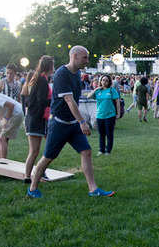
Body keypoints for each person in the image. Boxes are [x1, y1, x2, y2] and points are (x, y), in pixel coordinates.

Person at [27, 46, 114, 198]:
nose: (87, 61)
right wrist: (82, 122)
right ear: (74, 56)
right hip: (59, 123)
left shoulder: (78, 73)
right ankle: (33, 188)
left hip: (72, 123)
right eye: (84, 58)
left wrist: (77, 121)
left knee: (86, 152)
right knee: (48, 158)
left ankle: (93, 189)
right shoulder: (62, 74)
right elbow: (69, 99)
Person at [23, 56, 53, 182]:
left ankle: (37, 173)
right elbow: (41, 100)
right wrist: (54, 101)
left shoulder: (39, 78)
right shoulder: (42, 80)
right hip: (37, 118)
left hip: (35, 117)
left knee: (39, 150)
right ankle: (28, 177)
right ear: (49, 67)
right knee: (35, 151)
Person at [88, 74, 120, 155]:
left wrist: (118, 113)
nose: (104, 82)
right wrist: (95, 89)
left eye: (106, 80)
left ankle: (108, 150)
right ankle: (101, 150)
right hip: (100, 115)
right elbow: (88, 97)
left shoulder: (111, 90)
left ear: (109, 82)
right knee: (101, 134)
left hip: (110, 115)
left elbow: (117, 102)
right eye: (103, 80)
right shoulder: (98, 91)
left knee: (109, 134)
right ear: (100, 81)